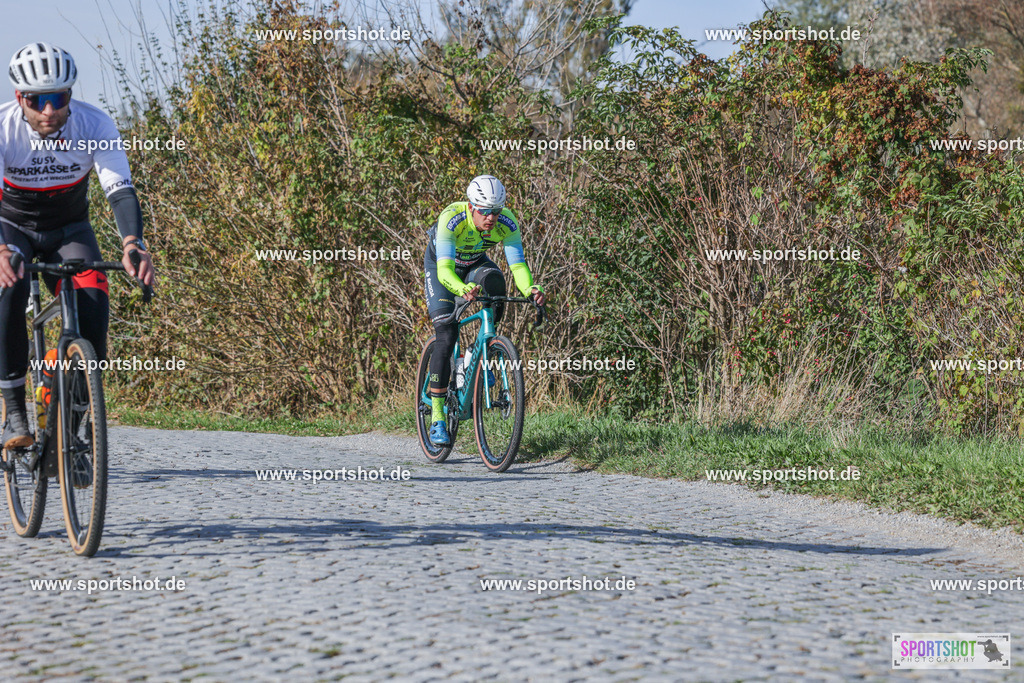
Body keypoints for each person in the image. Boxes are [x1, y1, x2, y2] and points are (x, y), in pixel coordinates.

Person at [0, 43, 155, 449]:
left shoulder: (94, 124)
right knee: (8, 287)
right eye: (37, 100)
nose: (49, 110)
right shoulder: (3, 128)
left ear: (71, 94)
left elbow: (119, 190)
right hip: (11, 225)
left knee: (93, 309)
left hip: (69, 229)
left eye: (59, 98)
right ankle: (15, 411)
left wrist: (132, 243)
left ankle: (74, 428)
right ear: (20, 97)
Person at [423, 174, 545, 445]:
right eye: (485, 212)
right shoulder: (452, 219)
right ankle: (438, 417)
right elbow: (444, 271)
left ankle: (479, 353)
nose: (491, 218)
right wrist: (460, 289)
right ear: (471, 207)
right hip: (442, 268)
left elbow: (517, 265)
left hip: (476, 263)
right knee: (445, 335)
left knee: (496, 285)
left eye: (496, 212)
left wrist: (530, 289)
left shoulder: (507, 222)